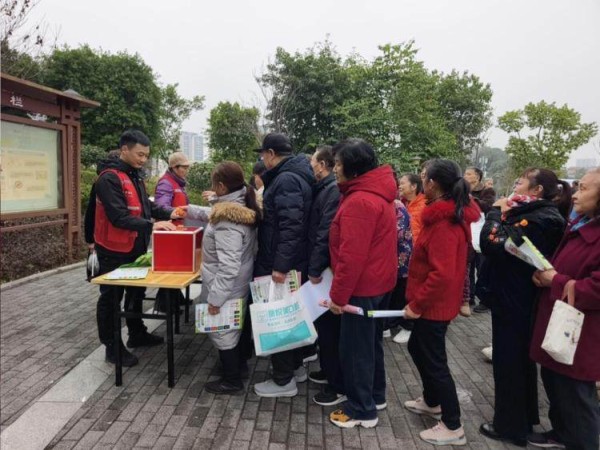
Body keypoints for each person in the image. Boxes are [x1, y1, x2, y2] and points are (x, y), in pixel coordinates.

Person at [479, 168, 570, 447]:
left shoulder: (542, 218)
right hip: (513, 296)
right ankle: (522, 418)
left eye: (520, 182)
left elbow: (493, 243)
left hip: (516, 299)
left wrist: (495, 213)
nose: (515, 185)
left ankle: (510, 427)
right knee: (517, 362)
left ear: (537, 190)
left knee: (510, 363)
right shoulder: (533, 212)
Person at [403, 159, 480, 446]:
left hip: (434, 305)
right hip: (433, 302)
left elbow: (442, 274)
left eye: (423, 177)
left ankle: (452, 424)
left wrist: (417, 305)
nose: (421, 180)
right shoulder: (443, 215)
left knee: (435, 362)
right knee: (417, 347)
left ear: (432, 183)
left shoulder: (445, 223)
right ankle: (432, 401)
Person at [94, 130, 181, 367]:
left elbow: (146, 208)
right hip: (113, 251)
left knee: (136, 292)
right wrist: (152, 226)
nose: (143, 159)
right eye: (139, 154)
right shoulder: (109, 179)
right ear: (124, 150)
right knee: (111, 298)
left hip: (135, 246)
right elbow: (118, 216)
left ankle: (136, 333)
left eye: (146, 155)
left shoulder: (135, 176)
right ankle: (112, 347)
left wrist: (170, 213)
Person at [326, 139, 397, 429]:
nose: (334, 169)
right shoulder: (375, 193)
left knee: (356, 350)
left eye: (338, 163)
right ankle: (374, 396)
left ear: (353, 168)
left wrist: (338, 297)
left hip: (362, 287)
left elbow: (351, 256)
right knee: (370, 346)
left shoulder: (360, 201)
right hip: (378, 283)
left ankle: (361, 410)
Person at [528, 168, 600, 450]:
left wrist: (555, 280)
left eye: (584, 189)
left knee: (577, 394)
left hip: (582, 330)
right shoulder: (580, 224)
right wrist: (546, 273)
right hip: (560, 320)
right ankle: (562, 433)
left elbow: (595, 289)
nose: (576, 194)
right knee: (555, 380)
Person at [186, 162, 260, 395]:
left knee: (223, 329)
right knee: (233, 327)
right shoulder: (238, 205)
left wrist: (216, 299)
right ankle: (238, 368)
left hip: (227, 283)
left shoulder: (228, 221)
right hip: (237, 281)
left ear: (221, 186)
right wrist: (188, 209)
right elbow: (213, 212)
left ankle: (232, 380)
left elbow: (228, 266)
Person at [252, 133, 315, 398]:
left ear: (270, 154)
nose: (262, 159)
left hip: (281, 263)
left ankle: (283, 380)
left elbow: (290, 227)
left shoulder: (286, 179)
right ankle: (295, 368)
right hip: (290, 260)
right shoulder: (294, 175)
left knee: (279, 318)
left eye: (262, 154)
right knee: (291, 315)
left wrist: (279, 265)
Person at [304, 145, 343, 405]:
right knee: (324, 327)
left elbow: (324, 232)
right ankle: (328, 371)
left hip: (326, 270)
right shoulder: (324, 188)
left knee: (330, 330)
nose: (311, 167)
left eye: (313, 163)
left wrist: (315, 267)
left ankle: (336, 383)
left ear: (323, 165)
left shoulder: (332, 190)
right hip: (323, 266)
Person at [463, 166, 497, 315]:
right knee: (468, 267)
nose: (465, 175)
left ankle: (484, 299)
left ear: (477, 177)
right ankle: (469, 296)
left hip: (482, 234)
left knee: (482, 268)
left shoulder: (487, 191)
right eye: (465, 173)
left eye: (468, 174)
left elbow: (488, 206)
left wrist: (470, 199)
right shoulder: (463, 189)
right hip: (469, 233)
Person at [388, 171, 414, 345]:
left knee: (400, 293)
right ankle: (390, 323)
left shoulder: (397, 206)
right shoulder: (393, 204)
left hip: (401, 259)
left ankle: (405, 325)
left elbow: (396, 234)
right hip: (393, 259)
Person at [154, 152, 190, 220]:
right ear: (174, 168)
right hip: (168, 225)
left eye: (187, 168)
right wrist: (183, 214)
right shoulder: (165, 184)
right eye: (184, 168)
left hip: (178, 225)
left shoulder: (179, 184)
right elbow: (162, 208)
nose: (187, 171)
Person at [398, 173, 426, 243]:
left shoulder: (424, 205)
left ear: (413, 186)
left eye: (402, 183)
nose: (399, 186)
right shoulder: (401, 205)